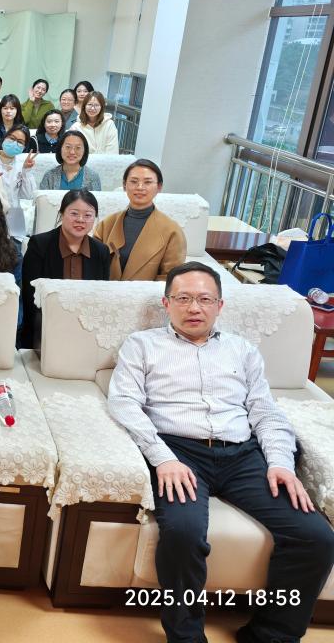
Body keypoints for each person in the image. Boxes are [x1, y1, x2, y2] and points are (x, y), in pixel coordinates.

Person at [107, 261, 334, 643]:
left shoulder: (242, 350)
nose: (194, 307)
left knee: (316, 537)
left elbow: (264, 412)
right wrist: (162, 457)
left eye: (204, 299)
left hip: (242, 454)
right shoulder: (142, 345)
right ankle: (187, 638)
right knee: (183, 533)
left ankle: (271, 635)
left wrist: (280, 463)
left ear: (220, 305)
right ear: (167, 303)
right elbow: (124, 403)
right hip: (178, 452)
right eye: (183, 298)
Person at [19, 189, 110, 348]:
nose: (80, 220)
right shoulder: (39, 245)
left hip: (85, 332)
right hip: (43, 332)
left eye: (88, 215)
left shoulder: (101, 251)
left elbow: (101, 298)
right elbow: (30, 298)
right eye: (74, 213)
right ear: (61, 213)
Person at [93, 159, 185, 281]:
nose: (140, 187)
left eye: (148, 182)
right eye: (134, 181)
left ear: (159, 187)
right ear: (124, 185)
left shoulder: (172, 231)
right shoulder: (106, 224)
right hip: (105, 291)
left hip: (149, 293)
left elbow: (170, 278)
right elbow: (93, 267)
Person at [0, 126, 37, 239]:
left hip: (15, 214)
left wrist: (26, 171)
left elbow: (28, 195)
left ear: (24, 147)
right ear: (4, 138)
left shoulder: (23, 165)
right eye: (12, 138)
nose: (15, 143)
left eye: (20, 142)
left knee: (17, 247)